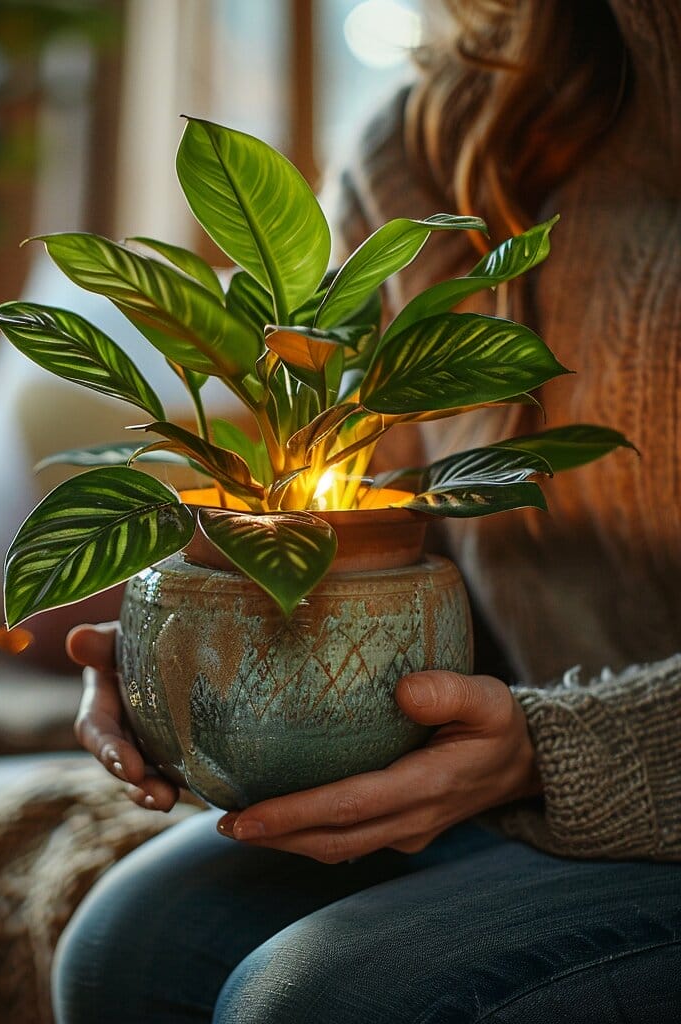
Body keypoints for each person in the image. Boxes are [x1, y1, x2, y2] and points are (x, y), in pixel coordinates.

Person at [50, 0, 681, 1020]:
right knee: (128, 947)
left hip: (618, 770)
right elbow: (354, 530)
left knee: (323, 1000)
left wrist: (553, 748)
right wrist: (187, 656)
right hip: (513, 776)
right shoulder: (439, 140)